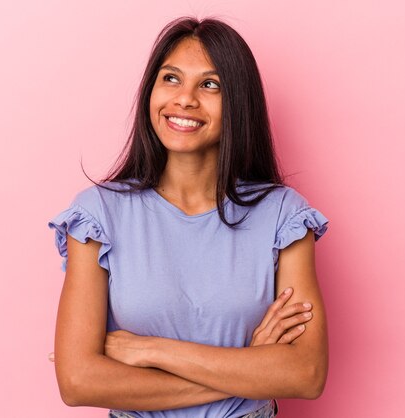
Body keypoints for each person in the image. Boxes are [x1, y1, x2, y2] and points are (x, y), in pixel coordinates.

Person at [47, 16, 329, 418]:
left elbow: (306, 374)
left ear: (238, 102)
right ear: (151, 90)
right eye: (171, 79)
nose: (185, 99)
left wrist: (148, 350)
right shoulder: (97, 215)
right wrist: (249, 366)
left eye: (210, 84)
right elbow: (78, 382)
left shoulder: (283, 215)